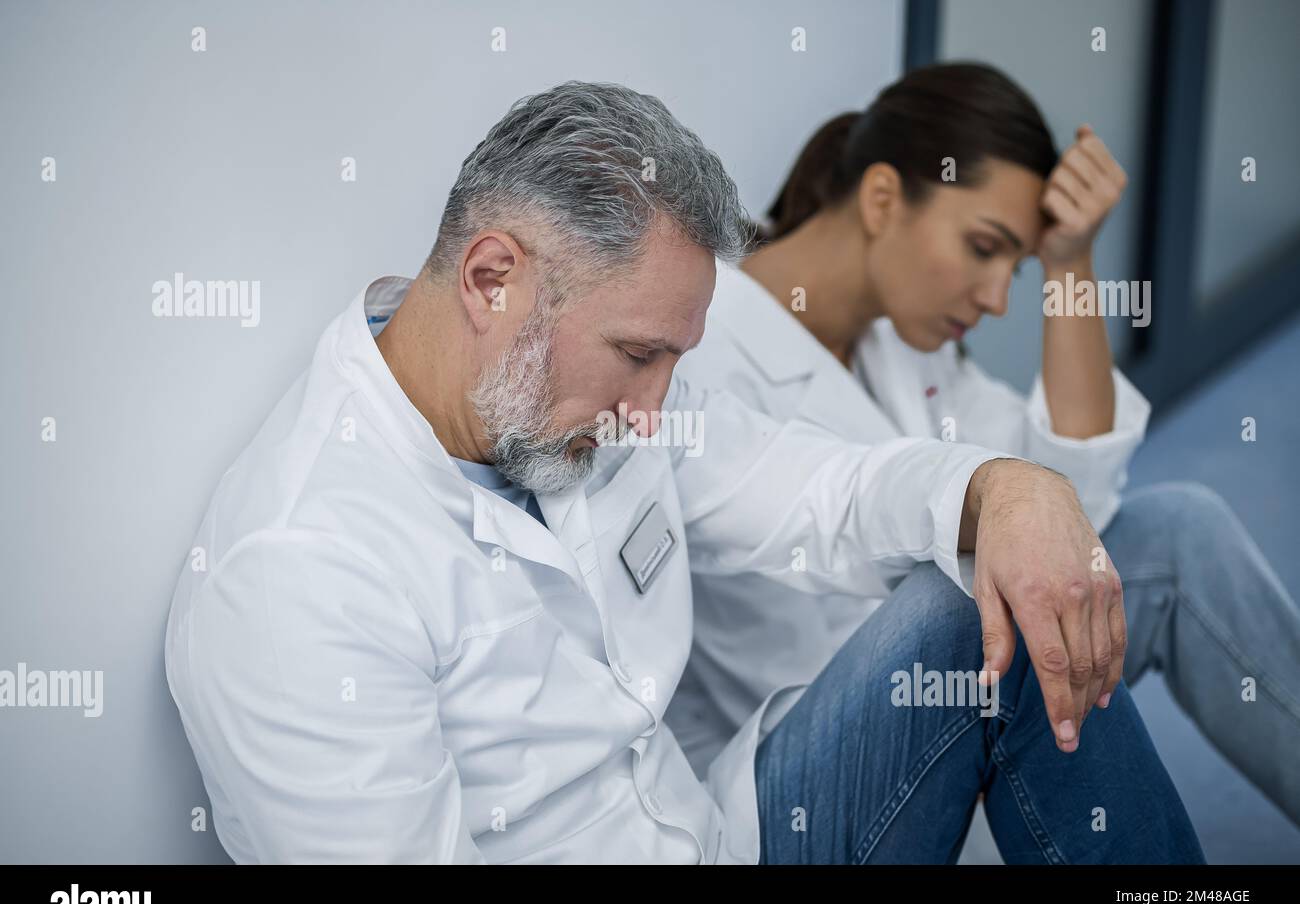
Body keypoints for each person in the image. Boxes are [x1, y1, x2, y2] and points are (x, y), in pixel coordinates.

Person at [163, 80, 1204, 864]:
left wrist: (1002, 488)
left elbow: (821, 492)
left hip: (719, 825)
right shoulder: (299, 575)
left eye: (673, 360)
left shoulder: (580, 406)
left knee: (982, 597)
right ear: (491, 278)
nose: (655, 410)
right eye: (637, 355)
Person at [663, 62, 1300, 833]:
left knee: (1175, 529)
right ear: (882, 198)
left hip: (965, 686)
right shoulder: (697, 346)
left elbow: (1073, 509)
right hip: (808, 765)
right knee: (967, 602)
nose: (1000, 298)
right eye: (983, 247)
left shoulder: (902, 340)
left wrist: (1072, 263)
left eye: (1019, 267)